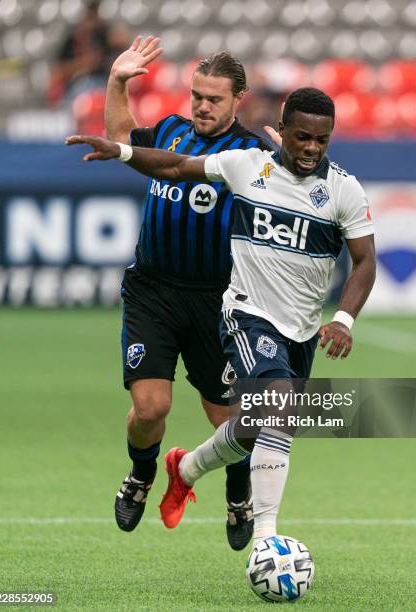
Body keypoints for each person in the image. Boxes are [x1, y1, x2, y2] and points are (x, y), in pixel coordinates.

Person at [66, 86, 376, 544]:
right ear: (283, 130)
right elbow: (174, 166)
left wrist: (344, 319)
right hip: (245, 313)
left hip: (302, 329)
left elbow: (365, 261)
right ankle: (269, 540)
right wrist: (122, 151)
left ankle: (186, 468)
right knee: (278, 407)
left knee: (250, 429)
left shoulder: (343, 190)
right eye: (302, 137)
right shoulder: (248, 165)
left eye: (322, 140)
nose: (311, 148)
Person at [102, 35, 273, 549]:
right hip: (152, 290)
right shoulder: (172, 132)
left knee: (230, 422)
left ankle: (238, 492)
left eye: (213, 98)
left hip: (218, 300)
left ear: (237, 99)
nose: (201, 105)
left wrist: (292, 166)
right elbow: (120, 138)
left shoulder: (253, 153)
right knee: (150, 408)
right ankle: (140, 473)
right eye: (197, 94)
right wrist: (116, 81)